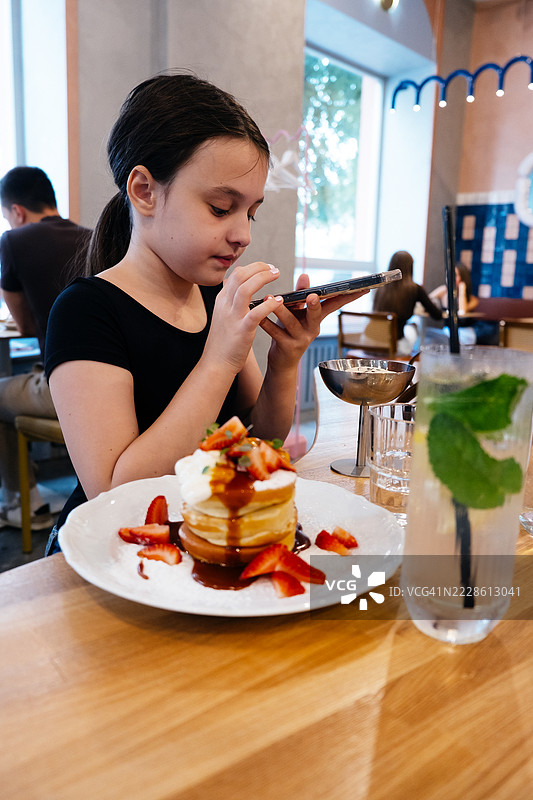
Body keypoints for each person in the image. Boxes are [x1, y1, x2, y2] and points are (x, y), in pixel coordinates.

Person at [44, 72, 369, 554]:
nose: (244, 234)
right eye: (221, 208)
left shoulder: (213, 298)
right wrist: (219, 359)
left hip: (203, 540)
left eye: (251, 212)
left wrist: (283, 363)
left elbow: (261, 439)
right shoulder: (85, 311)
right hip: (113, 554)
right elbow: (115, 492)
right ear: (144, 190)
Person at [0, 166, 91, 530]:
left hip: (63, 386)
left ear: (17, 211)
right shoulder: (92, 236)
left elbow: (24, 328)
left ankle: (24, 503)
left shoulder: (13, 242)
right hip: (114, 378)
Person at [372, 250, 442, 355]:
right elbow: (437, 315)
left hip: (372, 344)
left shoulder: (381, 288)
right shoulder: (415, 289)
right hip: (395, 348)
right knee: (413, 326)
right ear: (410, 267)